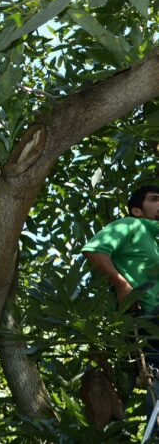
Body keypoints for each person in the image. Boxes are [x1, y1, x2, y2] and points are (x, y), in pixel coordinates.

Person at [82, 184, 159, 435]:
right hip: (151, 318)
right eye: (155, 199)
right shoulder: (130, 225)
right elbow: (95, 250)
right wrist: (122, 285)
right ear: (137, 210)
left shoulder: (155, 239)